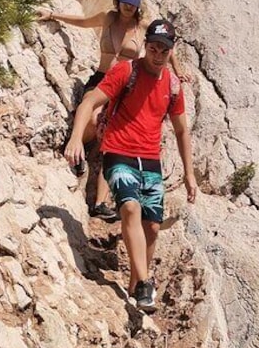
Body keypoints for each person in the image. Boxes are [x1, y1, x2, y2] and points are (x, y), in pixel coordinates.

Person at [64, 19, 197, 312]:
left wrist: (189, 174)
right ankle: (147, 282)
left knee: (151, 226)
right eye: (152, 47)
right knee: (129, 208)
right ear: (145, 45)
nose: (157, 54)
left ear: (171, 51)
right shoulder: (127, 71)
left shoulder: (173, 85)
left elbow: (182, 131)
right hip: (118, 151)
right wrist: (75, 139)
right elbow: (88, 102)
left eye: (164, 50)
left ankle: (137, 287)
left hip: (150, 159)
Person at [38, 0, 191, 222]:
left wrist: (178, 69)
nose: (128, 6)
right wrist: (53, 15)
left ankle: (100, 202)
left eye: (133, 3)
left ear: (138, 3)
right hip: (101, 78)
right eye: (125, 1)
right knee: (93, 115)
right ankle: (77, 148)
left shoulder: (142, 28)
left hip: (124, 85)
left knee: (111, 132)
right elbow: (83, 22)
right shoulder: (108, 18)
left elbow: (165, 47)